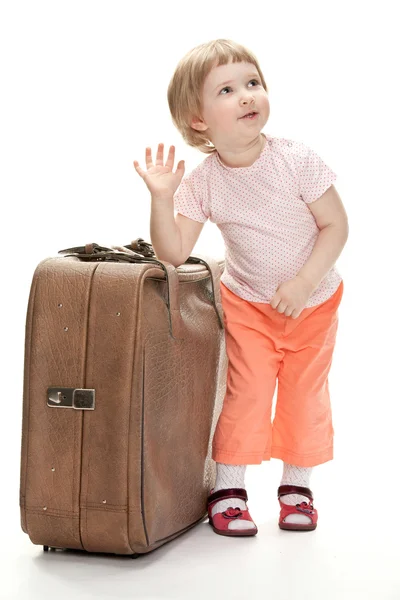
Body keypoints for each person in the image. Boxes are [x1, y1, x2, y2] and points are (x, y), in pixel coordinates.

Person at [133, 39, 349, 537]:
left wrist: (302, 283)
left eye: (253, 83)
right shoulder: (205, 181)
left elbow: (336, 225)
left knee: (303, 394)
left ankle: (298, 490)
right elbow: (172, 252)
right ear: (198, 120)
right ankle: (228, 491)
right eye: (227, 90)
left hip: (312, 303)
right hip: (249, 304)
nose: (248, 96)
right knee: (247, 393)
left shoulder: (296, 159)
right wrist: (162, 199)